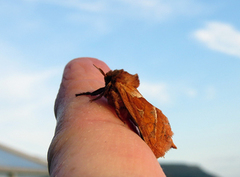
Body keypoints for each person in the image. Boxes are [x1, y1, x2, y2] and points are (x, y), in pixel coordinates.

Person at [48, 57, 166, 176]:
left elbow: (106, 93)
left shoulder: (118, 87)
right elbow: (104, 91)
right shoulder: (114, 87)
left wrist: (88, 95)